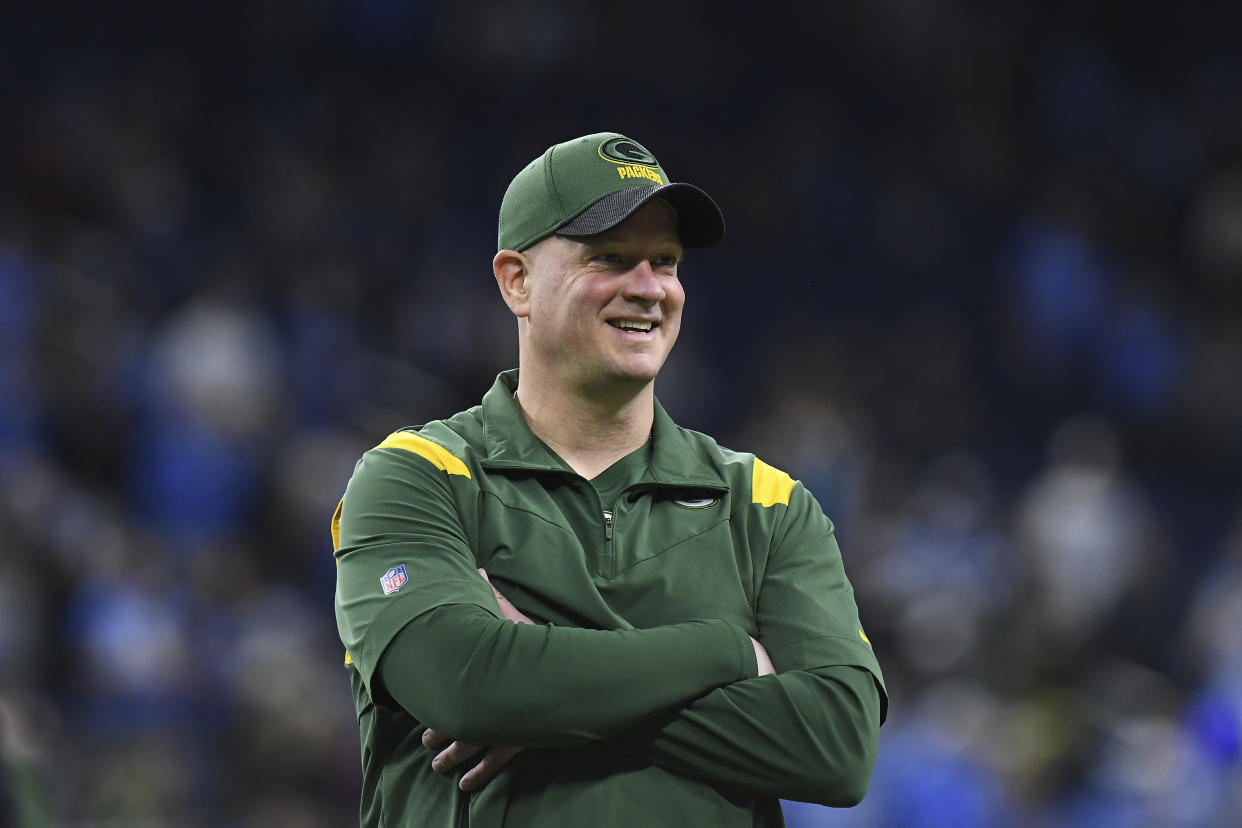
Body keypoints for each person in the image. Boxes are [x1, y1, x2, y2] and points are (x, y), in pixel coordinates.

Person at [332, 132, 887, 827]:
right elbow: (467, 687)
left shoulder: (766, 504)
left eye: (666, 262)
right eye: (612, 259)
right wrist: (725, 650)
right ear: (516, 281)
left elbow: (837, 749)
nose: (650, 289)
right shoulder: (417, 477)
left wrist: (536, 679)